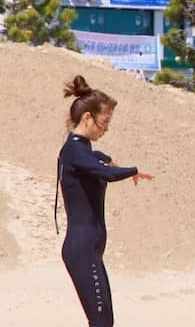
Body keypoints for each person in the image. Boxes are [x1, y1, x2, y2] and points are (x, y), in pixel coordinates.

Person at [57, 76, 156, 326]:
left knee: (104, 322)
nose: (106, 129)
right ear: (88, 118)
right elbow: (107, 174)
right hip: (81, 250)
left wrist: (105, 157)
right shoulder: (75, 151)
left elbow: (97, 162)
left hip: (90, 250)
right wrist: (132, 170)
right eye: (105, 122)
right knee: (101, 323)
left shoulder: (83, 152)